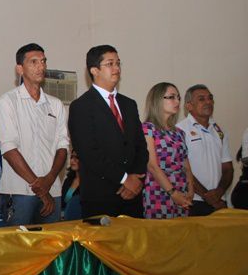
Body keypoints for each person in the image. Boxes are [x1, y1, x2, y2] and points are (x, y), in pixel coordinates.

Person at [67, 45, 148, 218]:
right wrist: (125, 179)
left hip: (132, 195)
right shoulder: (81, 106)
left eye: (118, 63)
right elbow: (89, 152)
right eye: (110, 64)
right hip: (100, 197)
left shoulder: (129, 104)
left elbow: (140, 146)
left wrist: (136, 179)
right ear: (94, 70)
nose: (117, 68)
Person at [0, 43, 69, 225]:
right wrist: (40, 189)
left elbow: (62, 146)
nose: (41, 66)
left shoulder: (56, 104)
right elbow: (9, 149)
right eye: (34, 62)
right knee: (19, 249)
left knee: (52, 248)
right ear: (20, 68)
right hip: (19, 191)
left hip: (53, 190)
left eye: (43, 61)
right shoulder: (8, 102)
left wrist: (49, 180)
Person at [176, 84, 233, 216]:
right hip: (192, 201)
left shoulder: (219, 130)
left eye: (210, 98)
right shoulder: (179, 130)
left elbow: (227, 168)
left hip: (219, 201)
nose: (208, 102)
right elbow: (182, 168)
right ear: (189, 106)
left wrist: (219, 192)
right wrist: (207, 196)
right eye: (201, 99)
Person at [141, 82, 194, 218]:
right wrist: (173, 193)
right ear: (157, 100)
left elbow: (186, 166)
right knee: (161, 236)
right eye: (171, 97)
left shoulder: (179, 132)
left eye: (178, 97)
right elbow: (152, 166)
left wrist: (190, 191)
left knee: (182, 236)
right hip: (159, 192)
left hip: (182, 192)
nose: (177, 101)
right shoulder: (148, 129)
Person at [61, 150, 82, 220]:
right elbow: (63, 202)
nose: (73, 160)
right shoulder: (68, 180)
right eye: (71, 157)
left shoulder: (90, 182)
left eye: (77, 157)